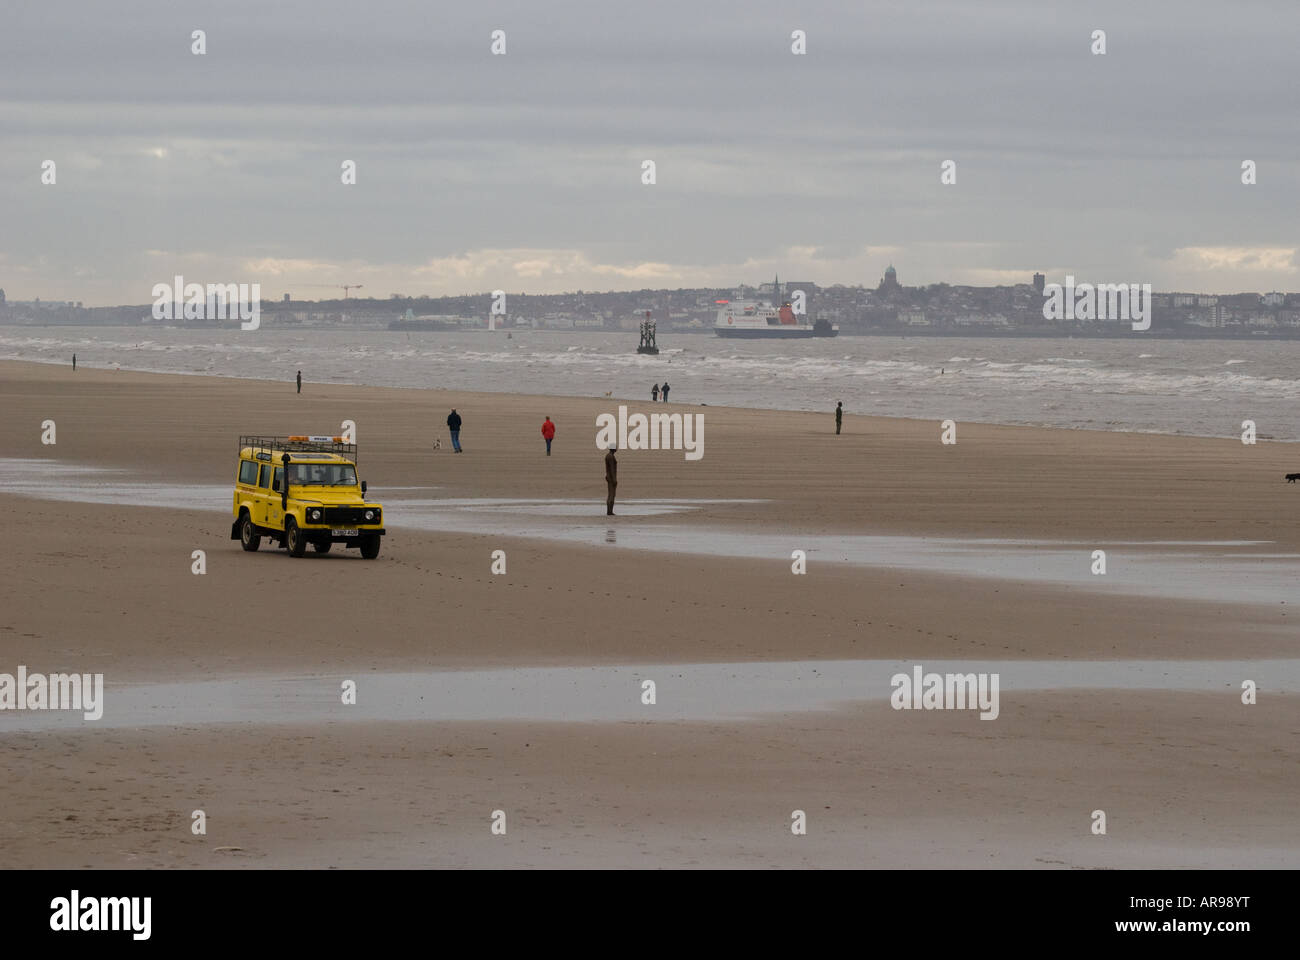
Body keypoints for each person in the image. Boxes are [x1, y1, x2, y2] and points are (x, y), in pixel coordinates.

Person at [604, 445, 618, 516]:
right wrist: (614, 479)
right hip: (611, 478)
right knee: (612, 495)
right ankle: (610, 511)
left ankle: (609, 511)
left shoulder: (607, 456)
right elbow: (612, 469)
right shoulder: (611, 457)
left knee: (610, 494)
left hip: (609, 477)